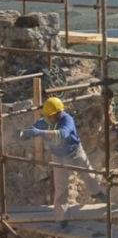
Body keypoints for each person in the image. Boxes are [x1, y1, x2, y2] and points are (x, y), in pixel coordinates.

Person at [20, 97, 104, 226]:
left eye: (51, 116)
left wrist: (40, 132)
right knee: (61, 188)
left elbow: (63, 133)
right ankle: (62, 217)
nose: (49, 118)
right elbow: (31, 130)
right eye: (47, 116)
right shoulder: (44, 121)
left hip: (75, 153)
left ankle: (97, 192)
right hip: (58, 156)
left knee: (88, 175)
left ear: (58, 113)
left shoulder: (67, 119)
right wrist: (23, 134)